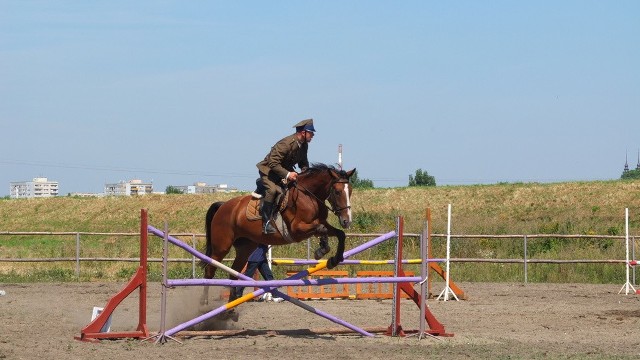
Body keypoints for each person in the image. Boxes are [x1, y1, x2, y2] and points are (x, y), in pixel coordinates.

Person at [256, 118, 316, 234]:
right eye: (311, 132)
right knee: (273, 191)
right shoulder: (286, 143)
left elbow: (303, 162)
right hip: (268, 172)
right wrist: (288, 174)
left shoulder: (304, 145)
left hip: (283, 173)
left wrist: (305, 172)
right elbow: (272, 163)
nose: (312, 135)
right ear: (303, 132)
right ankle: (266, 223)